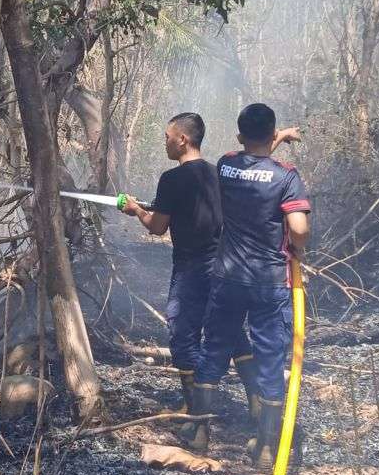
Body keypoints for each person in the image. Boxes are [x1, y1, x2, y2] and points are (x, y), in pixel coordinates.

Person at [120, 113, 299, 449]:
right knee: (231, 335)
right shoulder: (219, 171)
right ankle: (256, 402)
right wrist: (281, 136)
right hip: (221, 266)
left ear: (183, 140)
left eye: (168, 136)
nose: (166, 142)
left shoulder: (172, 179)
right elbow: (256, 162)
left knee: (181, 332)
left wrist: (136, 210)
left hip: (190, 268)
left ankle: (195, 417)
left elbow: (157, 227)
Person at [188, 102, 310, 468]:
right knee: (271, 358)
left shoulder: (226, 164)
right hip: (270, 282)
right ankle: (266, 448)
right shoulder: (287, 177)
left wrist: (273, 138)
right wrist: (297, 250)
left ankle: (199, 434)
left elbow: (251, 164)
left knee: (215, 348)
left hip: (227, 278)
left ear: (240, 136)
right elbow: (299, 229)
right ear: (272, 135)